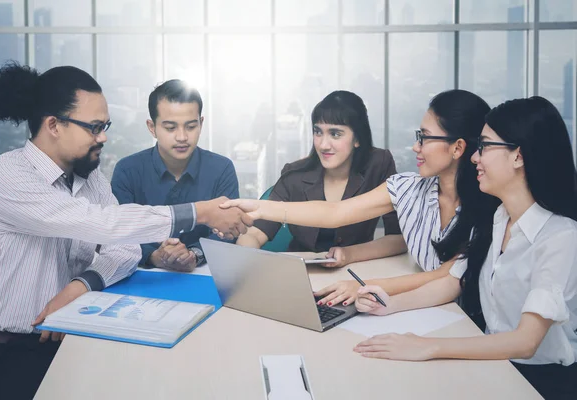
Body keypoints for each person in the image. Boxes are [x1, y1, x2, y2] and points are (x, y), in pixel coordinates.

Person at [0, 63, 251, 400]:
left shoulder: (88, 178)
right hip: (8, 350)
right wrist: (201, 212)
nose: (103, 137)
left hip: (71, 334)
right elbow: (103, 224)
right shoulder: (7, 176)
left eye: (105, 126)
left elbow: (124, 247)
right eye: (94, 127)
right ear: (53, 125)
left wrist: (82, 285)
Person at [353, 97, 577, 400]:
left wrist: (428, 346)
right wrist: (390, 304)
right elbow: (453, 280)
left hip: (540, 382)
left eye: (484, 147)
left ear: (518, 156)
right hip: (494, 363)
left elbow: (526, 342)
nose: (475, 158)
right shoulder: (499, 217)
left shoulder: (560, 237)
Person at [224, 89, 497, 307]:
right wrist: (260, 207)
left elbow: (445, 277)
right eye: (318, 131)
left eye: (423, 138)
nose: (415, 146)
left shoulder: (488, 205)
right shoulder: (407, 188)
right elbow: (335, 213)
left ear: (458, 147)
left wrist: (364, 285)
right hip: (421, 304)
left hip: (467, 316)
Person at [236, 91, 406, 266]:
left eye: (335, 134)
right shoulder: (294, 175)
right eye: (318, 132)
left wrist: (351, 254)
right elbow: (254, 234)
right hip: (301, 274)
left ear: (357, 138)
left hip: (357, 274)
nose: (324, 145)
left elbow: (399, 238)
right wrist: (245, 260)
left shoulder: (378, 165)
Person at [112, 79, 239, 272]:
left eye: (190, 126)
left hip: (205, 275)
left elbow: (230, 230)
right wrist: (155, 256)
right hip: (141, 278)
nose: (182, 137)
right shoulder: (128, 170)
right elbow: (119, 232)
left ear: (201, 123)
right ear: (151, 127)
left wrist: (194, 254)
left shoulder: (221, 168)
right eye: (170, 128)